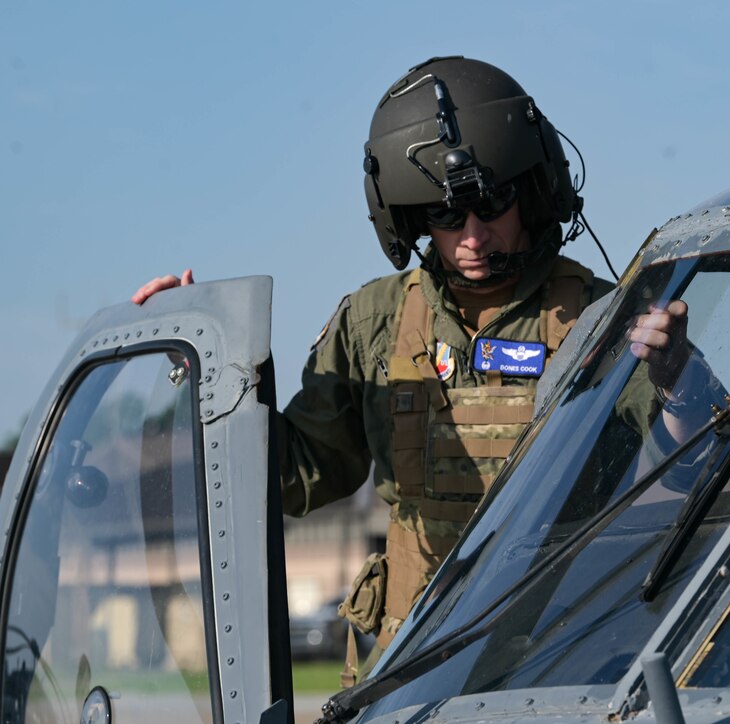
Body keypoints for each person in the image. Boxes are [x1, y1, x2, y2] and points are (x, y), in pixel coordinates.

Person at [133, 56, 692, 679]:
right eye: (447, 216)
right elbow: (298, 474)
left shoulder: (603, 315)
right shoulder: (372, 320)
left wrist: (678, 377)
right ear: (414, 218)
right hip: (407, 667)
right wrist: (205, 361)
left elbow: (694, 461)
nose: (473, 236)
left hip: (555, 653)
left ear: (531, 194)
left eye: (492, 204)